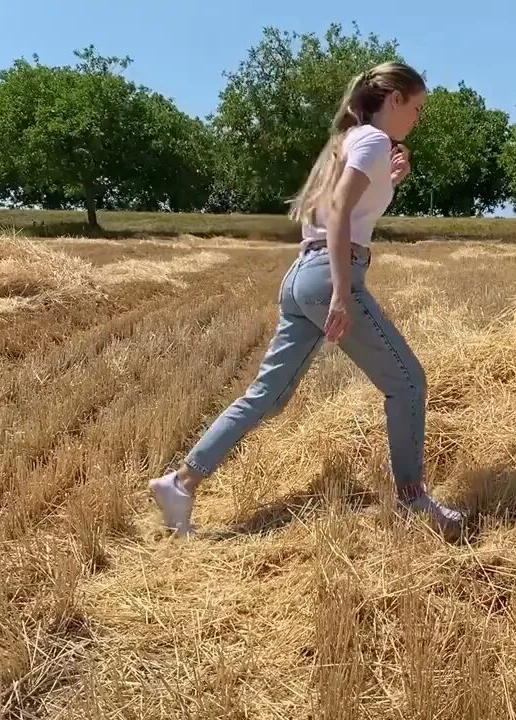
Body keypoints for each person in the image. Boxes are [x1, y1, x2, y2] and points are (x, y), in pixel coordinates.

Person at [149, 61, 465, 537]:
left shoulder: (351, 142)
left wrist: (391, 181)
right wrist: (342, 291)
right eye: (416, 107)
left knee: (267, 395)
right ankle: (413, 500)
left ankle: (181, 482)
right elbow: (339, 213)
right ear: (394, 99)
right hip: (327, 277)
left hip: (301, 274)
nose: (417, 118)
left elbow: (343, 208)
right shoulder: (374, 141)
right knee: (408, 383)